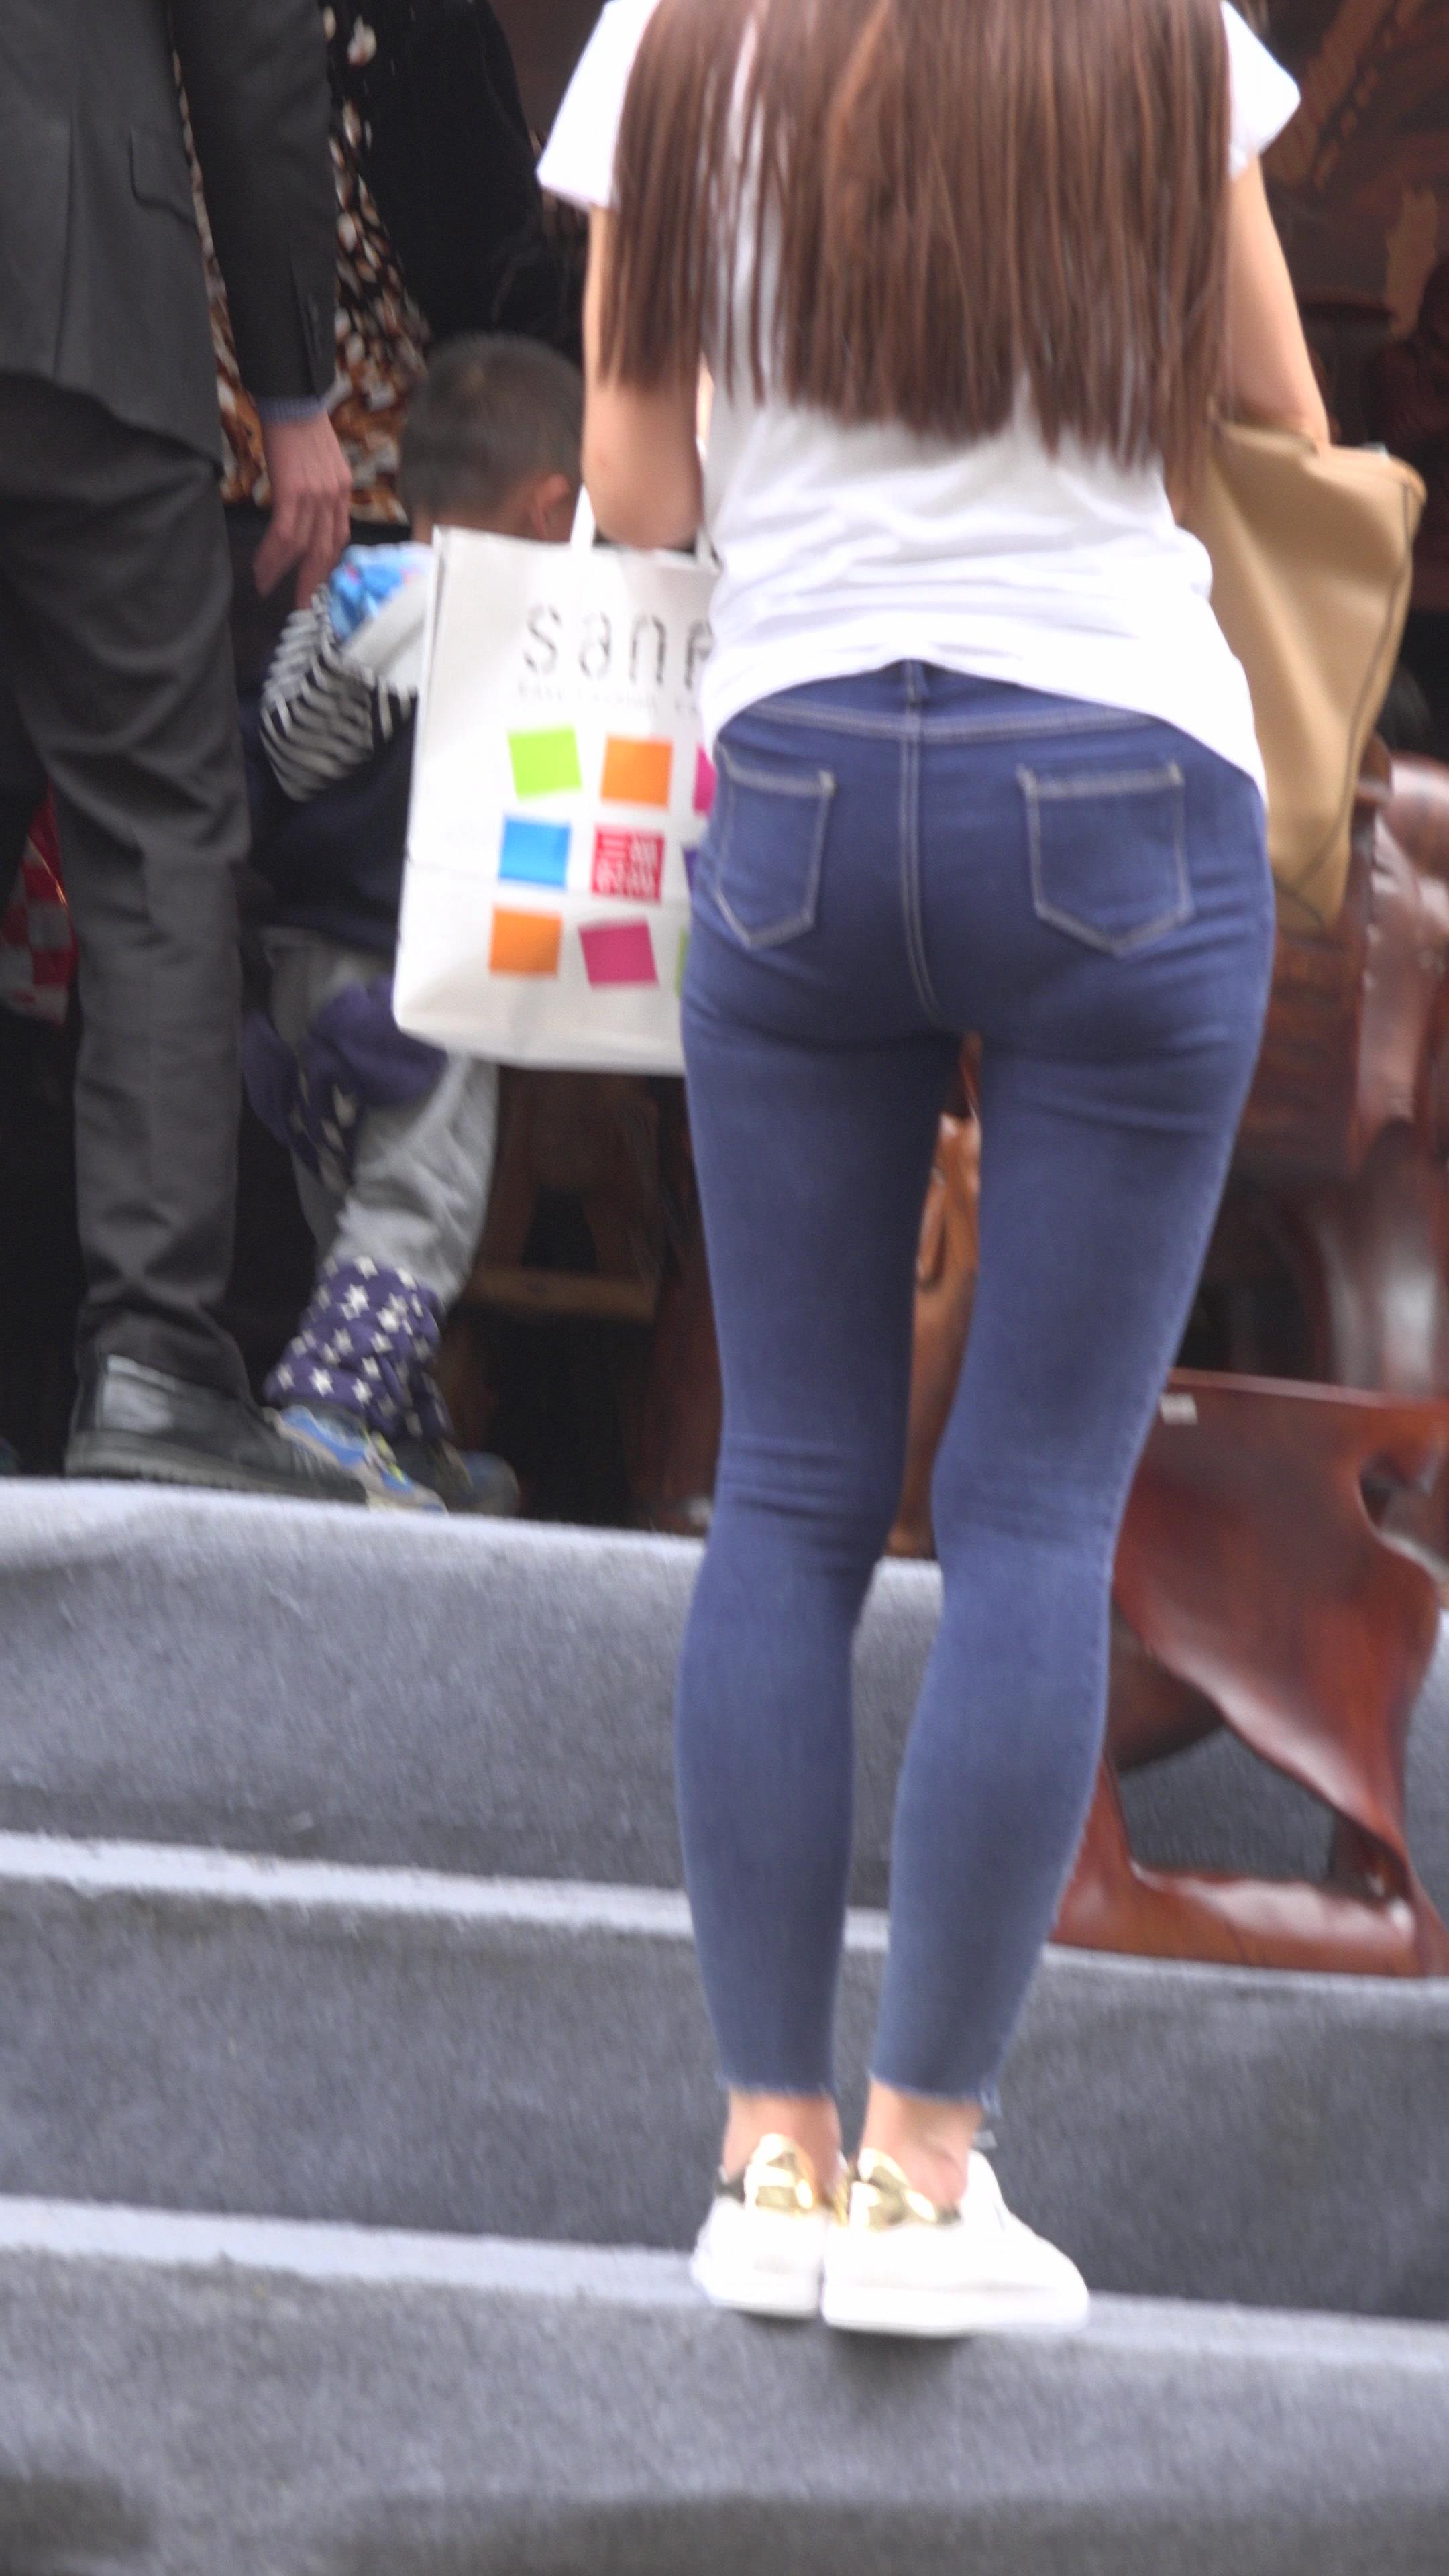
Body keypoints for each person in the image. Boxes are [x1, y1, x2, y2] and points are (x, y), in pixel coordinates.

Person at [541, 0, 1328, 2337]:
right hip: (1118, 764)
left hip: (794, 772)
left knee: (789, 1491)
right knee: (1033, 1511)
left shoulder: (672, 34)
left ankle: (766, 2159)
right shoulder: (1159, 27)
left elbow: (641, 487)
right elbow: (1283, 417)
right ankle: (924, 2178)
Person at [0, 0, 363, 1501]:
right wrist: (296, 392)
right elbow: (258, 54)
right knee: (155, 840)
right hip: (85, 292)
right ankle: (153, 1356)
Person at [244, 335, 582, 1510]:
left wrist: (346, 649)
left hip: (305, 969)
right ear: (555, 511)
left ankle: (399, 1419)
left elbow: (284, 757)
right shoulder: (533, 637)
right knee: (424, 1198)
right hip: (421, 976)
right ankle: (332, 1411)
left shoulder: (350, 598)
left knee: (353, 1202)